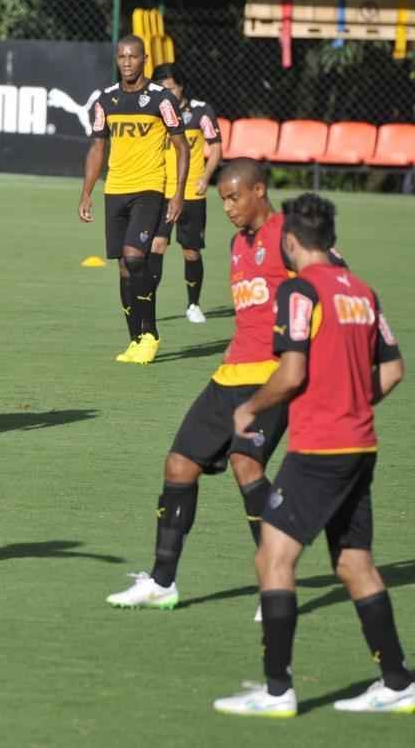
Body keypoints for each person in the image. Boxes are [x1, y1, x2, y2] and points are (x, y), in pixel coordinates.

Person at [214, 193, 413, 717]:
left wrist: (251, 407)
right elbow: (392, 371)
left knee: (273, 557)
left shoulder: (301, 292)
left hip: (319, 449)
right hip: (360, 446)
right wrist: (351, 401)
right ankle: (397, 682)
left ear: (292, 241)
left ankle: (277, 690)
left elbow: (293, 372)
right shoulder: (363, 292)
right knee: (354, 564)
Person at [106, 160, 299, 615]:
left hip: (270, 379)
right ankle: (162, 582)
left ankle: (276, 583)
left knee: (245, 467)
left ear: (259, 190)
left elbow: (332, 282)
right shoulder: (237, 244)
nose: (228, 208)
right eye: (223, 200)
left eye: (235, 198)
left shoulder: (291, 235)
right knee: (179, 465)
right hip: (228, 375)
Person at [78, 36, 188, 365]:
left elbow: (182, 146)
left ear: (145, 59)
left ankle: (151, 332)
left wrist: (178, 192)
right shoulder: (105, 101)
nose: (127, 62)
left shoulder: (162, 99)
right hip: (116, 190)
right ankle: (135, 340)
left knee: (135, 257)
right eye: (122, 57)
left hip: (149, 189)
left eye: (133, 57)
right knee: (124, 268)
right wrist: (87, 192)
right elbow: (97, 148)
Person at [147, 64, 222, 324]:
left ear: (181, 87)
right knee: (157, 246)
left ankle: (193, 304)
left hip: (191, 193)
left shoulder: (201, 112)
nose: (166, 93)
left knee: (190, 251)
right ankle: (149, 303)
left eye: (171, 88)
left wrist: (206, 177)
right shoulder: (155, 113)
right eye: (162, 89)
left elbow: (215, 147)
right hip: (161, 191)